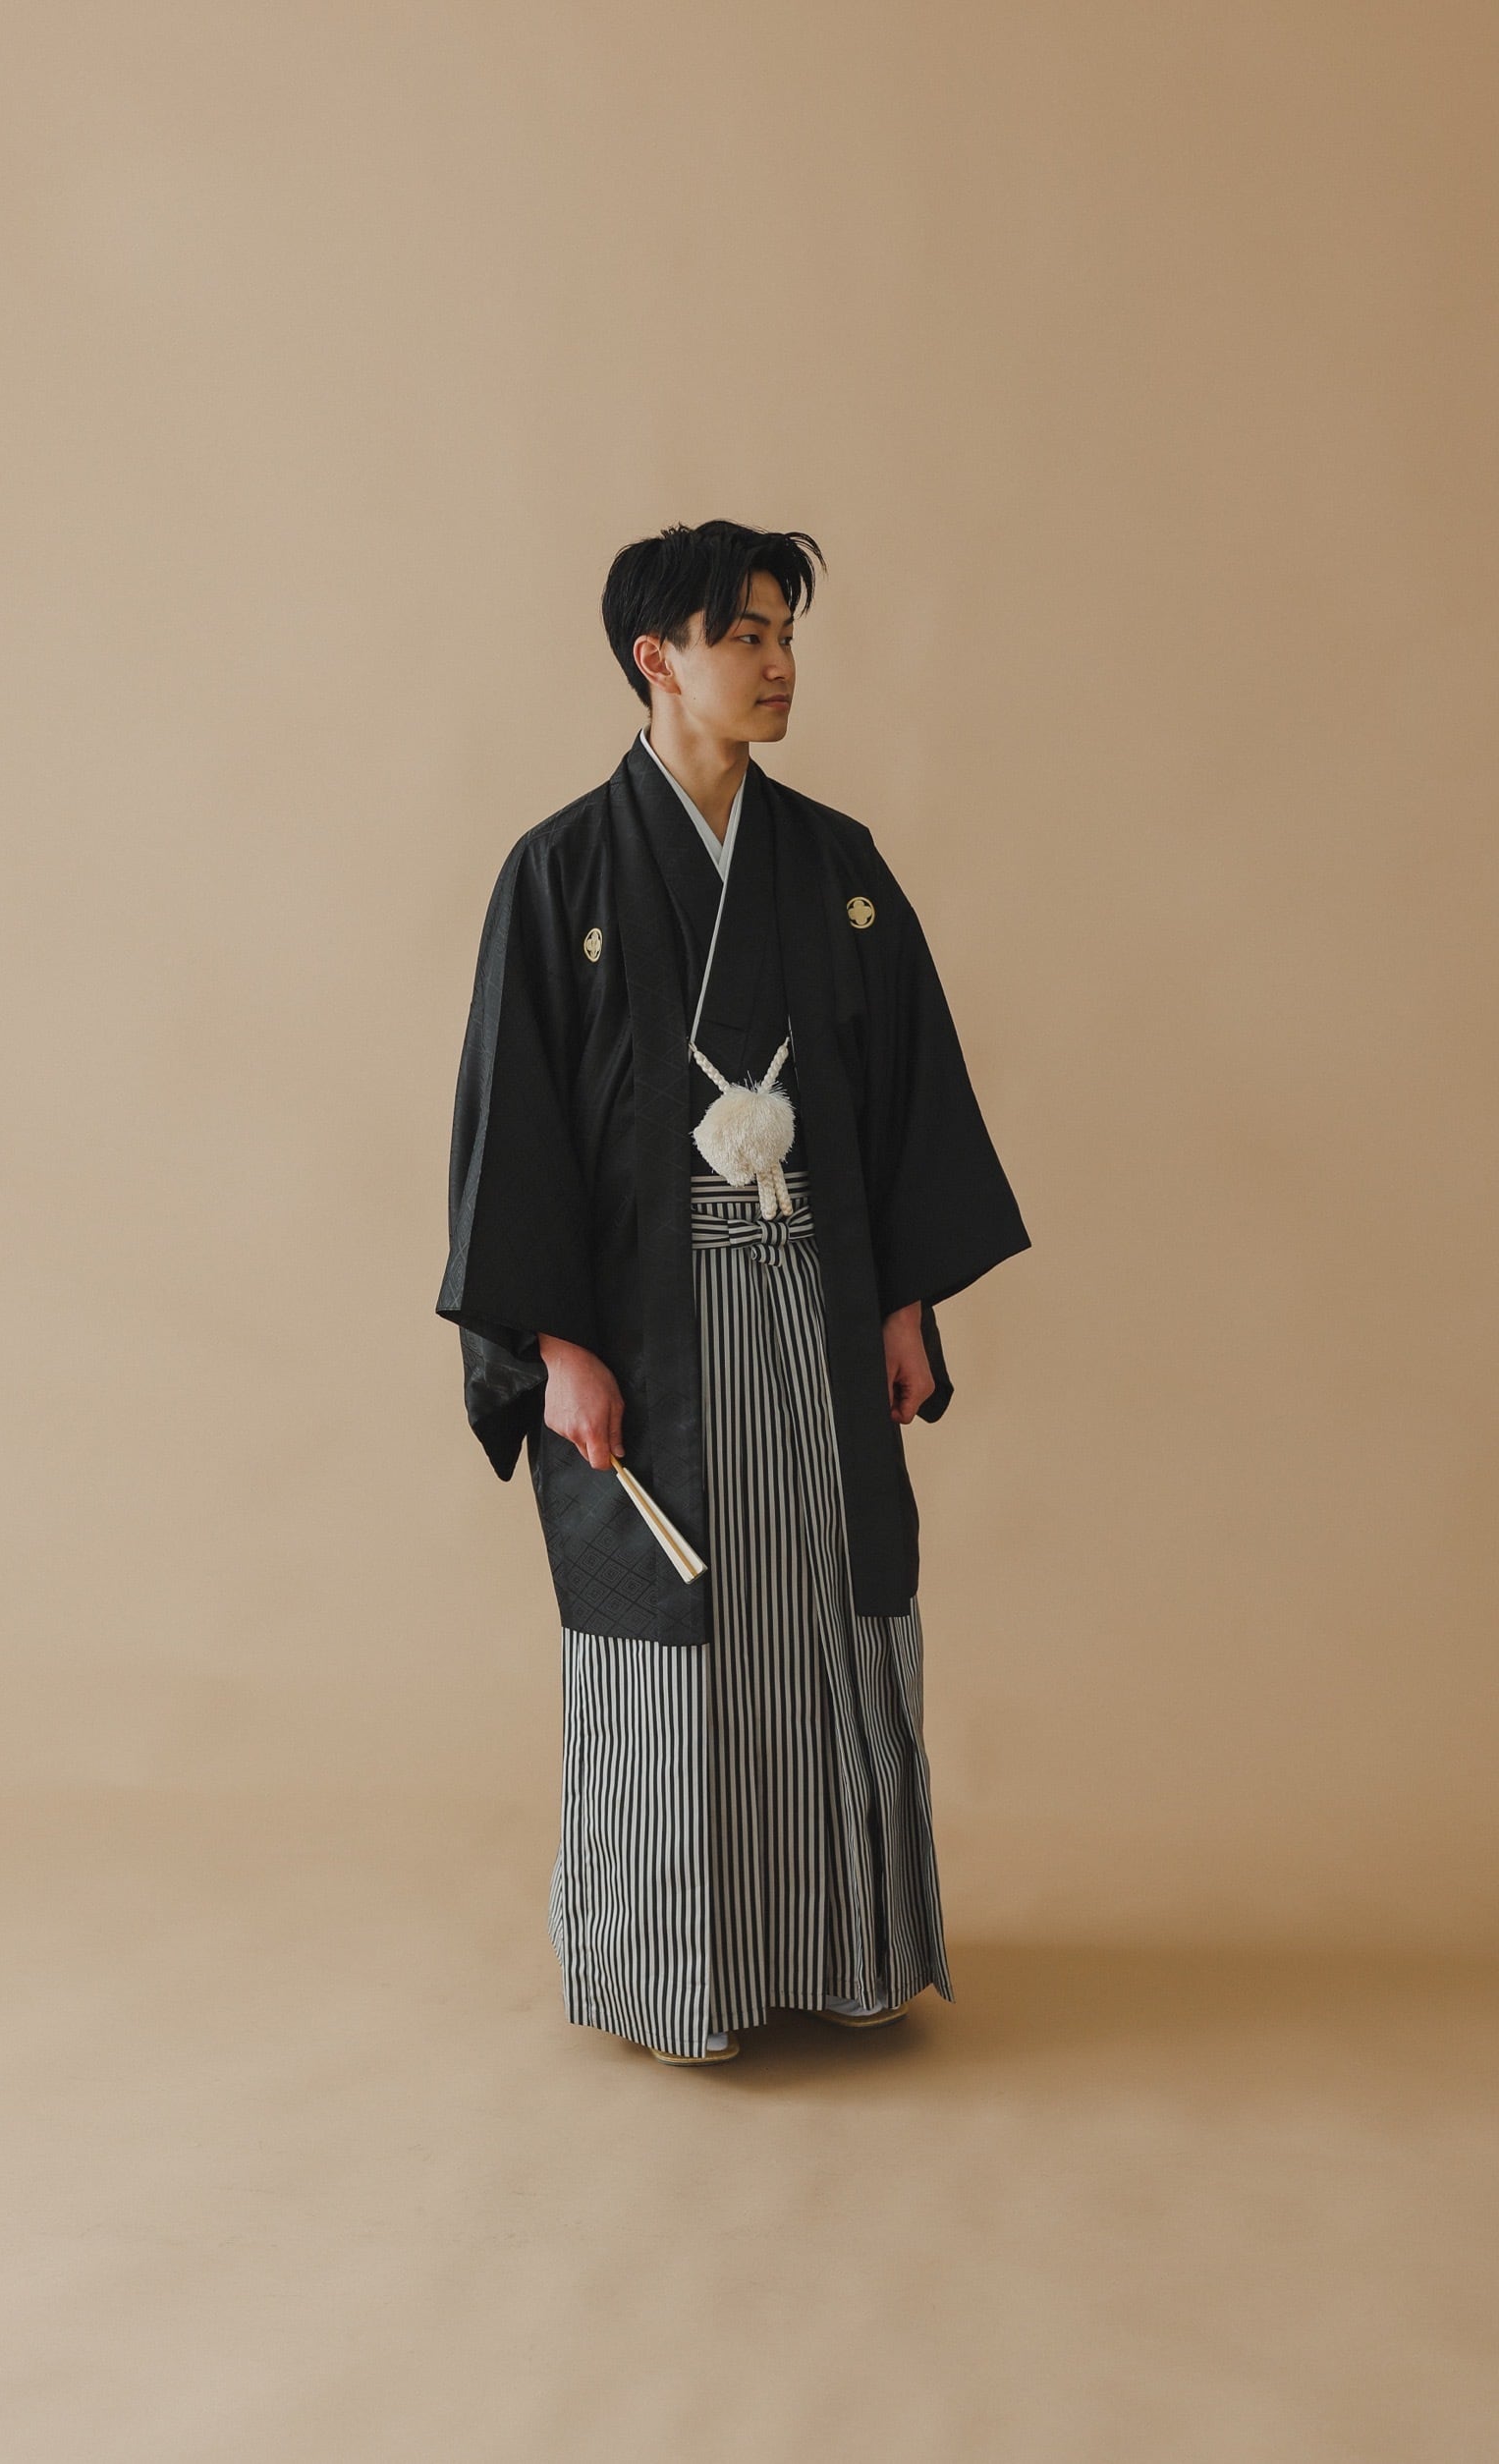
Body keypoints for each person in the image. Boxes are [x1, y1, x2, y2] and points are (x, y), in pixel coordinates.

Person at [437, 520, 1029, 2065]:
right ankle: (674, 1970)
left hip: (816, 1302)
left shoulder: (833, 866)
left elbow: (901, 1093)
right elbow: (517, 1126)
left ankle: (839, 1949)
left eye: (786, 635)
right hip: (648, 1327)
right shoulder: (560, 872)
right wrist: (554, 1343)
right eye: (747, 636)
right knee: (672, 1619)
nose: (779, 665)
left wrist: (902, 1306)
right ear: (659, 659)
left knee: (826, 1600)